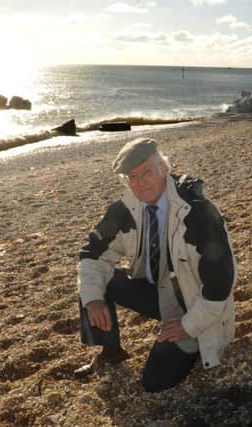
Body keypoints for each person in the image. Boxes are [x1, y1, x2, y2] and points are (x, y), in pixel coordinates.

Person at [75, 137, 237, 392]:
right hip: (157, 292)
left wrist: (187, 326)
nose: (141, 183)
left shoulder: (196, 211)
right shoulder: (124, 209)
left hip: (193, 304)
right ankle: (111, 350)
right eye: (133, 176)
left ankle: (197, 342)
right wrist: (93, 300)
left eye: (147, 172)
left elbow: (221, 284)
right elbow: (92, 253)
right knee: (95, 282)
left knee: (154, 382)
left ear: (164, 168)